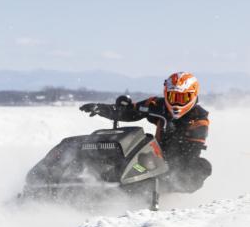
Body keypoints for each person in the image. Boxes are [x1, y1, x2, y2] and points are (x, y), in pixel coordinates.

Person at [80, 71, 211, 192]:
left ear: (193, 96)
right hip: (152, 156)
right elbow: (130, 111)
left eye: (182, 98)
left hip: (179, 165)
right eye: (172, 97)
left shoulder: (199, 119)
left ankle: (166, 187)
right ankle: (106, 178)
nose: (177, 103)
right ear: (166, 95)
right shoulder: (157, 104)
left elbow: (190, 152)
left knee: (202, 166)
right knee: (138, 141)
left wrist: (175, 132)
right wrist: (101, 109)